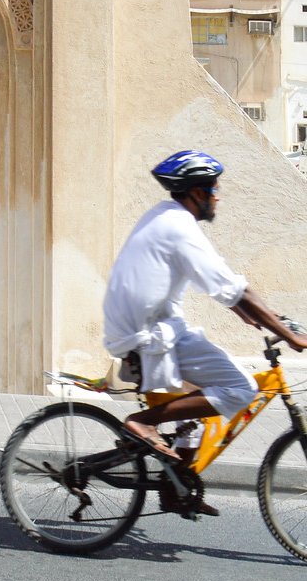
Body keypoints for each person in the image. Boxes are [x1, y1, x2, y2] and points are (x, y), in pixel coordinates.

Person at [103, 150, 307, 476]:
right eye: (215, 189)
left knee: (193, 415)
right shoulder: (179, 228)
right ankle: (141, 423)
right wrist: (291, 336)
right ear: (197, 192)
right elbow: (231, 286)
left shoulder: (164, 216)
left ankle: (176, 490)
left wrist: (254, 313)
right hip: (149, 335)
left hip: (144, 329)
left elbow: (224, 288)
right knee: (241, 389)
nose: (218, 198)